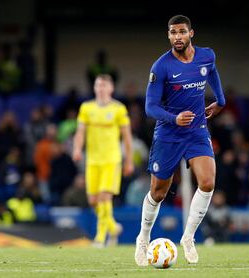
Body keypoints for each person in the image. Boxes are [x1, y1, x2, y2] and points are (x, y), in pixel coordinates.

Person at [134, 15, 225, 265]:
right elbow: (150, 107)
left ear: (191, 33)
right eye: (173, 33)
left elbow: (213, 74)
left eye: (181, 32)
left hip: (196, 130)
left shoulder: (207, 56)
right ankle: (143, 239)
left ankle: (188, 238)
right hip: (169, 133)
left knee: (207, 182)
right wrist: (174, 119)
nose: (177, 37)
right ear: (169, 35)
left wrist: (221, 100)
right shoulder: (161, 66)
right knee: (158, 191)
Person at [72, 74, 134, 247]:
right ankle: (113, 227)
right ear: (94, 88)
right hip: (92, 161)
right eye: (98, 85)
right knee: (93, 201)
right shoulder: (86, 108)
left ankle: (100, 236)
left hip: (111, 160)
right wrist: (77, 149)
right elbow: (80, 132)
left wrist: (129, 161)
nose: (101, 89)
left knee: (104, 197)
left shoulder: (118, 109)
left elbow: (127, 137)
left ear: (111, 88)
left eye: (104, 86)